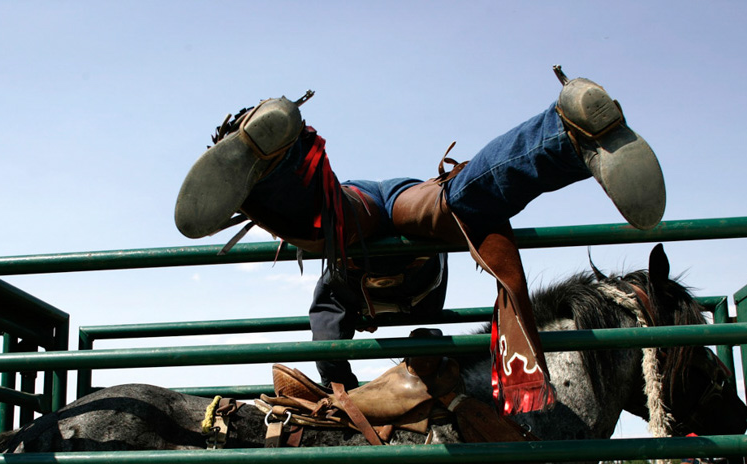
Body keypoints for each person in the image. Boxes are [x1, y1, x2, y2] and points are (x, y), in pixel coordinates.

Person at [174, 66, 665, 412]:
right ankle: (562, 133)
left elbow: (326, 326)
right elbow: (364, 332)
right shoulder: (410, 301)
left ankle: (280, 162)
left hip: (367, 212)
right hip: (405, 207)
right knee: (456, 200)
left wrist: (341, 387)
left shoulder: (341, 292)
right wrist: (351, 377)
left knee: (337, 222)